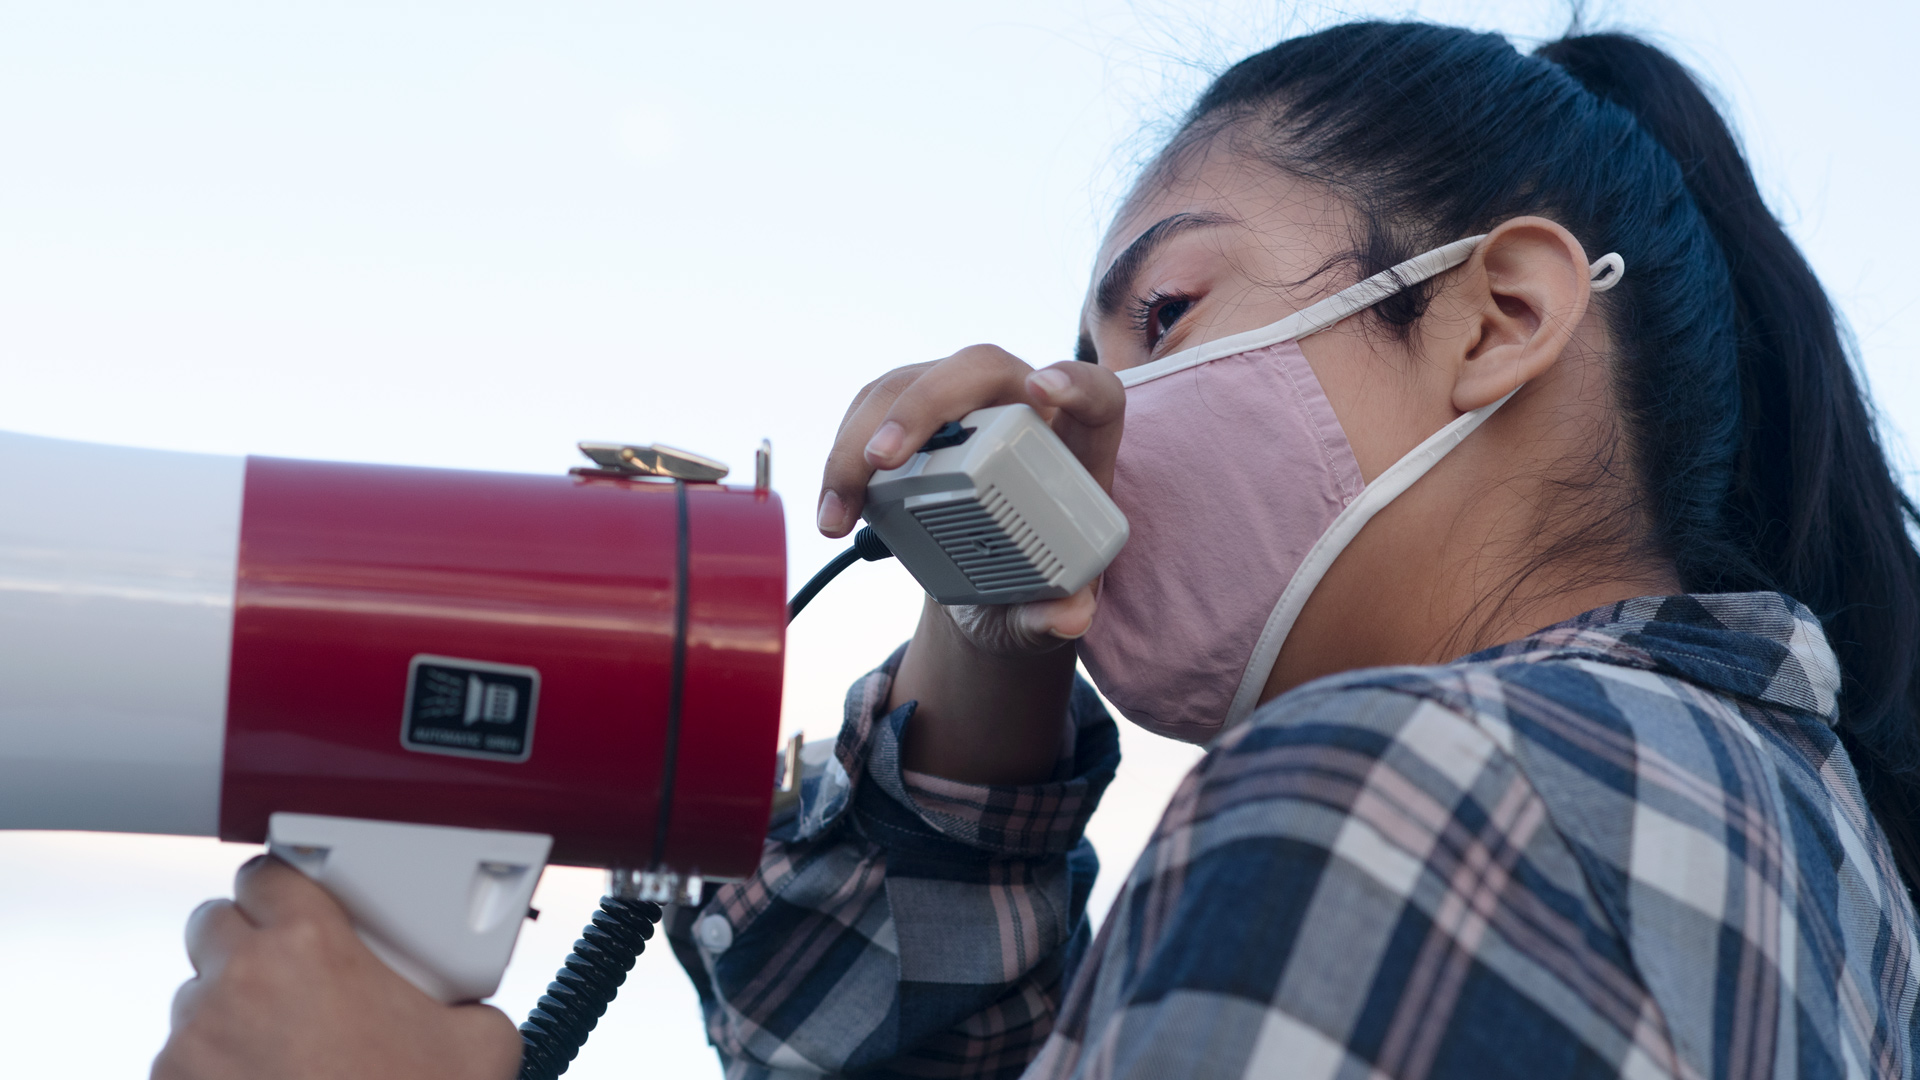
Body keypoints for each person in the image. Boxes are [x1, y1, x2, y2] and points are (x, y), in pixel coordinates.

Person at [154, 21, 1920, 1080]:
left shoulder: (1423, 780)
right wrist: (987, 665)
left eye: (1162, 309)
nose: (1090, 396)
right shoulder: (1770, 833)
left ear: (1498, 317)